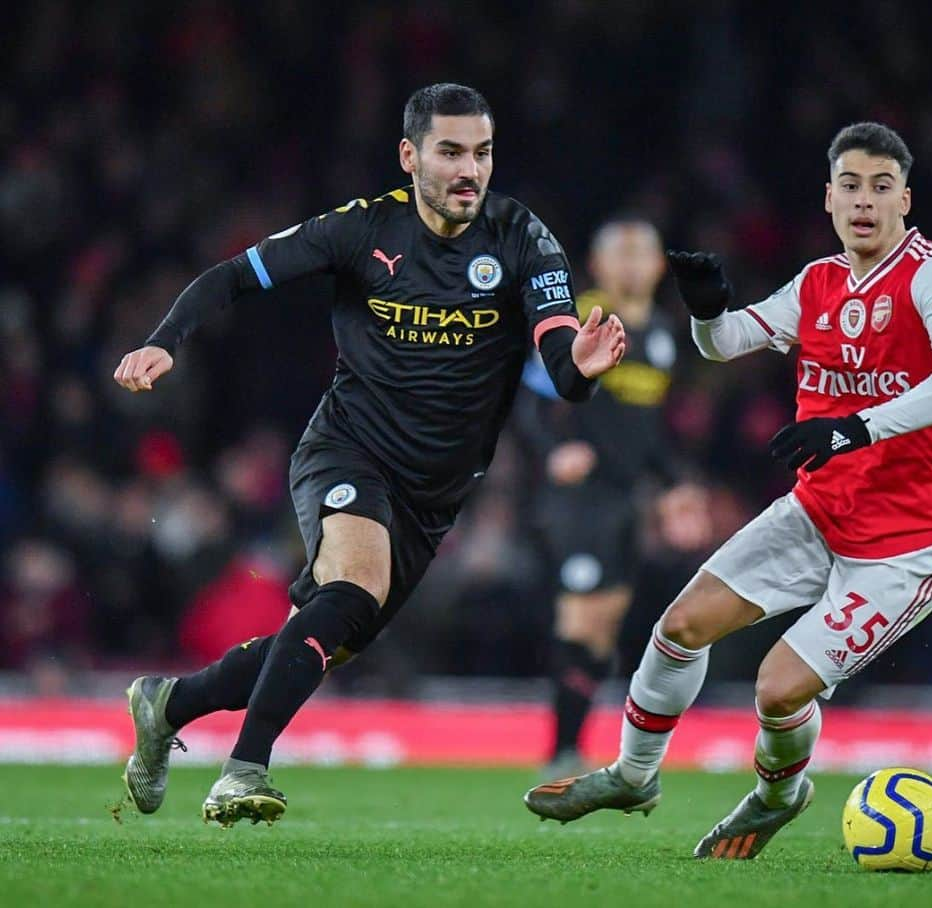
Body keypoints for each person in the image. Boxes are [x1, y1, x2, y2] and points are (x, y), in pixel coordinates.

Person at [113, 83, 626, 827]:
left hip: (435, 492)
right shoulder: (361, 229)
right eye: (450, 152)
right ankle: (242, 770)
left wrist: (580, 363)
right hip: (348, 449)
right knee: (351, 588)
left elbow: (560, 361)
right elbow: (231, 277)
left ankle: (169, 704)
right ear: (410, 155)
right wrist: (163, 340)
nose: (469, 171)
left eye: (481, 153)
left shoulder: (522, 237)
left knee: (328, 634)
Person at [524, 122, 932, 860]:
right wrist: (709, 309)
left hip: (914, 538)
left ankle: (778, 795)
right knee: (680, 626)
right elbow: (728, 342)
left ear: (905, 197)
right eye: (850, 185)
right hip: (821, 511)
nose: (864, 201)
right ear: (829, 197)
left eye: (879, 186)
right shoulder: (819, 282)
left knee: (777, 689)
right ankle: (633, 775)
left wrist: (856, 427)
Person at [516, 216, 691, 777]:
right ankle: (559, 750)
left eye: (644, 253)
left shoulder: (663, 334)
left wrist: (674, 486)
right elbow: (529, 400)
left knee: (604, 628)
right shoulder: (578, 321)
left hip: (624, 502)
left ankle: (572, 743)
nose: (634, 263)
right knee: (580, 618)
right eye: (623, 253)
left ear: (660, 265)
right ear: (598, 264)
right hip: (578, 500)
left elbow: (650, 431)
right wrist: (553, 450)